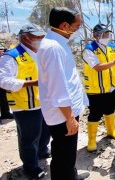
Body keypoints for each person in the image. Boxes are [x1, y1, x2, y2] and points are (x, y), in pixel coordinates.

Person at [37, 7, 89, 180]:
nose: (78, 30)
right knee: (63, 155)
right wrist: (69, 118)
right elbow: (57, 86)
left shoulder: (59, 44)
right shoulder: (53, 48)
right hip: (62, 115)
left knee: (67, 153)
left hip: (67, 111)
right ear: (65, 25)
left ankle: (71, 175)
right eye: (77, 26)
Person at [0, 24, 51, 179]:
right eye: (38, 36)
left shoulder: (40, 52)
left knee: (45, 131)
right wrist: (31, 83)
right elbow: (3, 80)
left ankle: (42, 151)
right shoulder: (11, 56)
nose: (41, 39)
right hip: (25, 105)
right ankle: (30, 168)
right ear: (25, 37)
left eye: (42, 36)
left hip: (43, 102)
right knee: (29, 137)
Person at [82, 23, 115, 152]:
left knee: (110, 109)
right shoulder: (89, 49)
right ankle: (91, 141)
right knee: (95, 114)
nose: (106, 36)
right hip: (95, 88)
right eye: (104, 34)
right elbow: (97, 67)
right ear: (95, 35)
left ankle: (111, 131)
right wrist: (114, 62)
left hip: (111, 86)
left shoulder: (112, 47)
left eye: (108, 34)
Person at [0, 43, 14, 121]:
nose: (1, 52)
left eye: (2, 50)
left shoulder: (3, 59)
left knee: (4, 98)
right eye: (0, 50)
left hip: (2, 83)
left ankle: (5, 114)